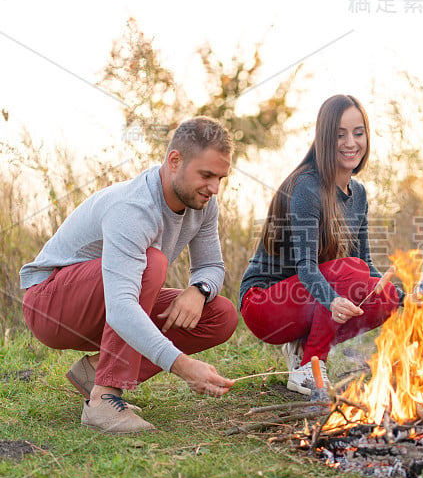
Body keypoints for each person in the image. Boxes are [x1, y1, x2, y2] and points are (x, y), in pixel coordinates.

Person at [20, 116, 240, 435]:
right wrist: (182, 366)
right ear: (174, 161)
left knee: (220, 315)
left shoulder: (204, 204)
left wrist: (199, 290)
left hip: (105, 303)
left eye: (221, 177)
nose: (214, 188)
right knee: (152, 264)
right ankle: (104, 400)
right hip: (50, 305)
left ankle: (95, 372)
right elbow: (122, 307)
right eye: (206, 175)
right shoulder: (134, 208)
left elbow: (212, 266)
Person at [240, 94, 399, 395]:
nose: (351, 142)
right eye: (340, 135)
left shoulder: (359, 194)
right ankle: (311, 365)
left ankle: (304, 350)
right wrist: (332, 300)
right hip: (264, 302)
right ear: (324, 138)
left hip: (304, 302)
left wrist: (409, 298)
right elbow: (306, 268)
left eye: (358, 132)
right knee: (352, 272)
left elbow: (365, 262)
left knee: (385, 295)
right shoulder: (306, 188)